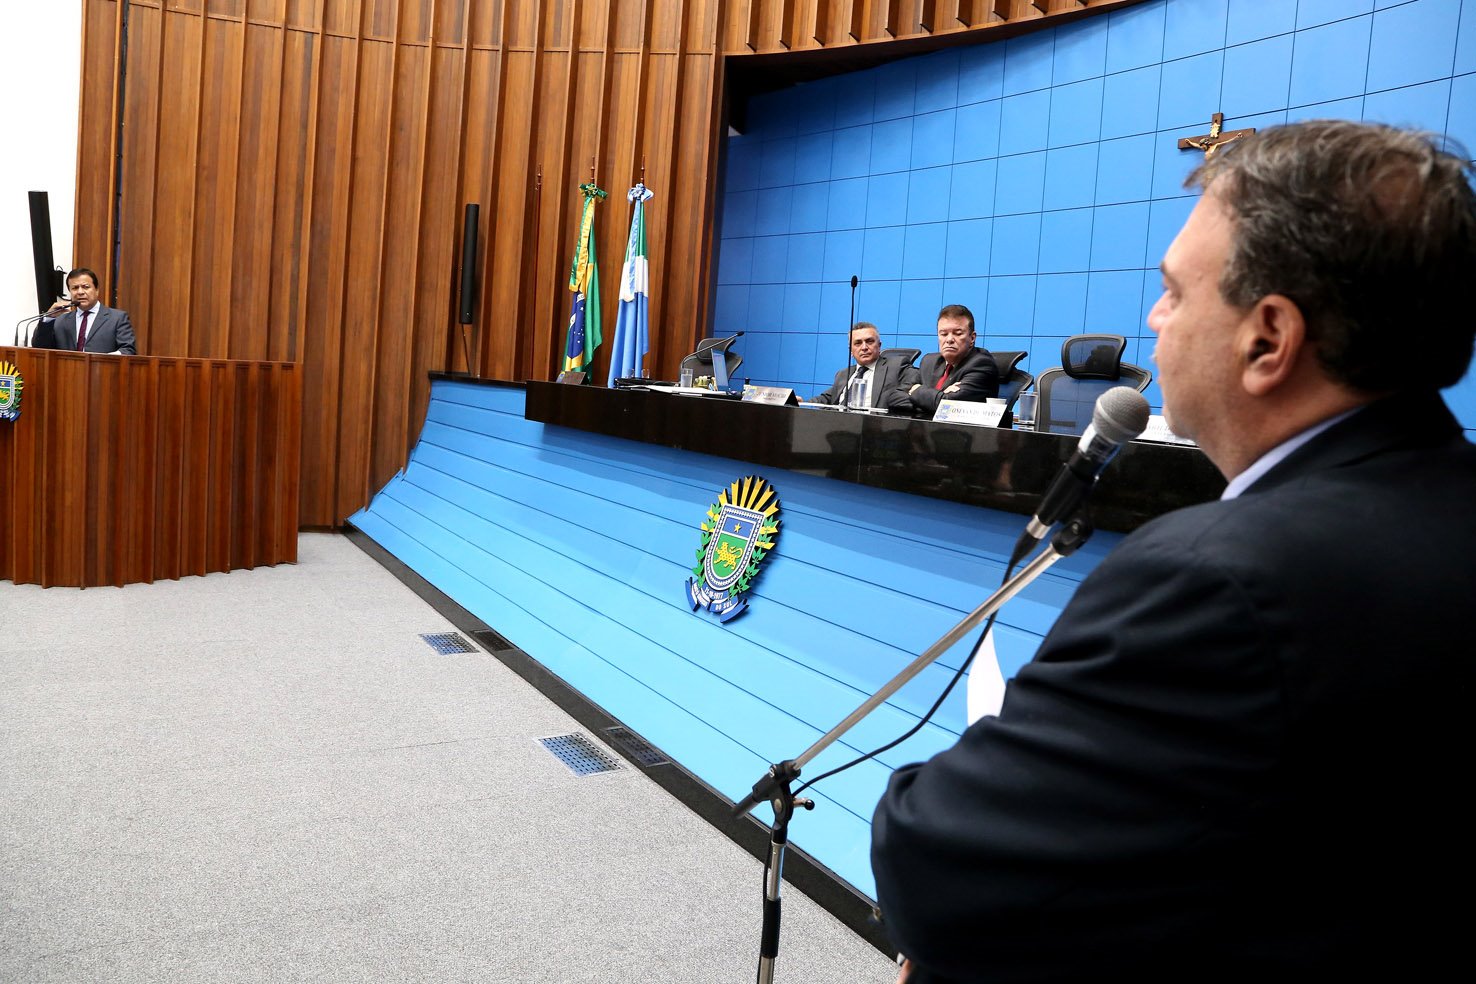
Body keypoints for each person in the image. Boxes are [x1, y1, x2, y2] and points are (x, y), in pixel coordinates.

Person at [871, 120, 1476, 981]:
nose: (1154, 318)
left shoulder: (1213, 577)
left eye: (1173, 292)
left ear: (1268, 339)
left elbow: (937, 866)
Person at [906, 304, 998, 418]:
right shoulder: (929, 361)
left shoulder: (982, 364)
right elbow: (894, 397)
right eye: (943, 334)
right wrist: (936, 398)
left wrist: (916, 392)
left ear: (972, 338)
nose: (949, 339)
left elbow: (949, 407)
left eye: (958, 333)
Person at [811, 322, 920, 412]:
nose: (864, 347)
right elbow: (827, 398)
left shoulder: (897, 366)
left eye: (869, 341)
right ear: (851, 351)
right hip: (839, 425)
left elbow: (916, 382)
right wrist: (803, 402)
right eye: (858, 343)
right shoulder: (843, 374)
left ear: (879, 346)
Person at [32, 268, 136, 355]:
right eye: (75, 288)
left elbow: (128, 350)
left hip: (102, 371)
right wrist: (48, 318)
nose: (80, 292)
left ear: (96, 290)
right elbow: (39, 348)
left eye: (86, 287)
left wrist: (105, 359)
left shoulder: (117, 318)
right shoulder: (60, 320)